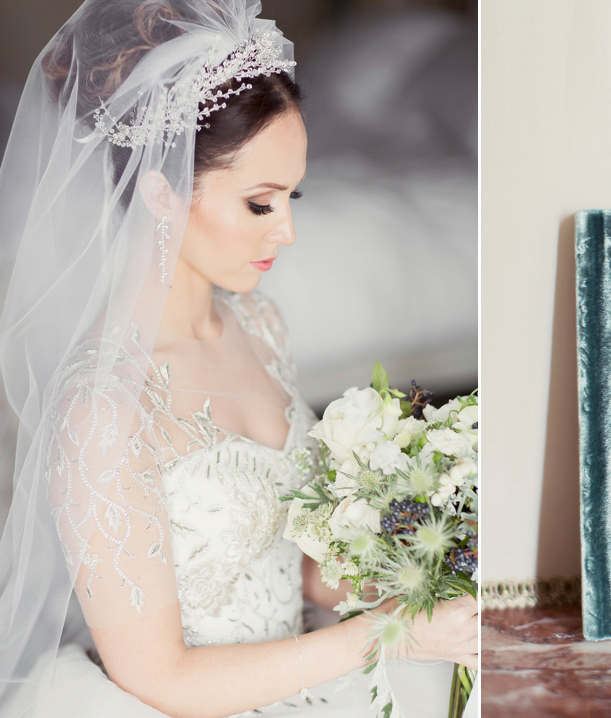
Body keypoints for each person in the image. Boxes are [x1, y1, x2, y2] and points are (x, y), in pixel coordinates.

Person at [0, 1, 478, 717]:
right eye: (260, 203)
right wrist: (394, 634)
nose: (286, 231)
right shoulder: (103, 409)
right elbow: (159, 679)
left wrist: (422, 584)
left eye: (294, 195)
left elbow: (301, 568)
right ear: (161, 192)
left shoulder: (260, 324)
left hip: (312, 673)